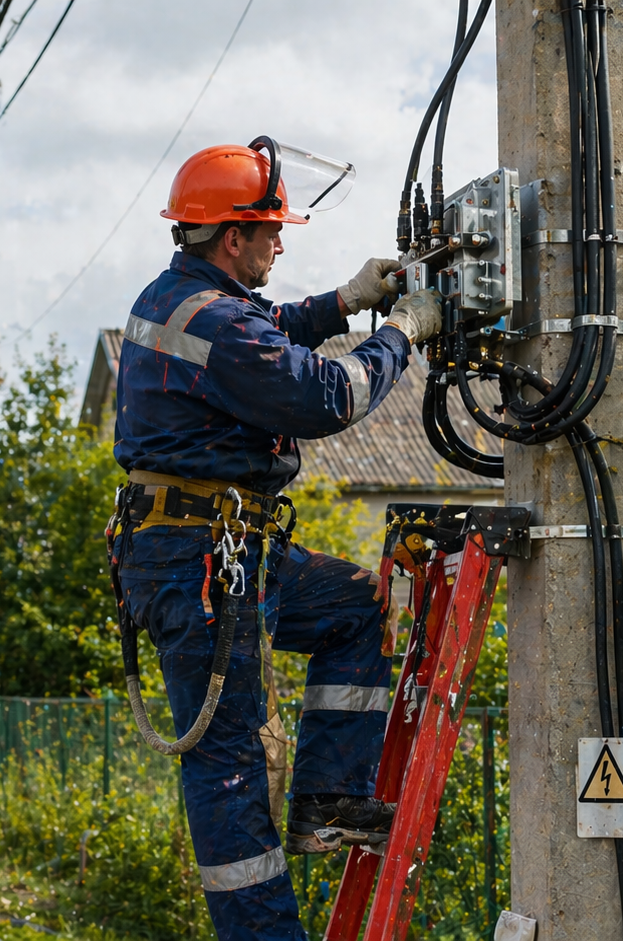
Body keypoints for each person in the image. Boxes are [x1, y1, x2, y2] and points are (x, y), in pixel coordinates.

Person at [107, 139, 444, 940]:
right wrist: (399, 330)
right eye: (271, 230)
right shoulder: (214, 319)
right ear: (233, 238)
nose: (280, 243)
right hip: (199, 560)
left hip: (213, 547)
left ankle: (327, 803)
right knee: (228, 764)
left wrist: (343, 300)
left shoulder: (185, 298)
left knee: (354, 606)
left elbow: (271, 329)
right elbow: (326, 395)